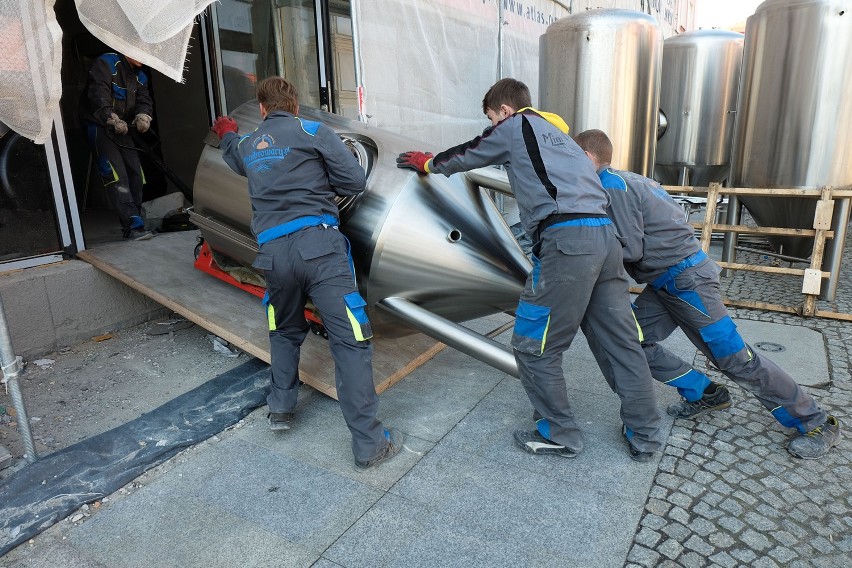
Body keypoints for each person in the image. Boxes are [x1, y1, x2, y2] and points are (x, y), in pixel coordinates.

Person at [397, 78, 663, 461]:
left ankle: (560, 434)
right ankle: (645, 433)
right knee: (620, 342)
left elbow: (471, 153)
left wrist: (428, 162)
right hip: (605, 240)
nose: (492, 126)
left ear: (504, 111)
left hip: (567, 244)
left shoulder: (517, 125)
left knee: (532, 344)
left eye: (491, 118)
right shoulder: (561, 137)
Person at [574, 128, 841, 460]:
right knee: (630, 342)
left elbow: (630, 247)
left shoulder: (611, 187)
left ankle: (816, 421)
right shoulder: (630, 180)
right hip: (666, 283)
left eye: (573, 158)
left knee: (736, 360)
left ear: (586, 157)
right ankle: (705, 391)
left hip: (689, 283)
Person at [211, 76, 403, 469]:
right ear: (295, 106)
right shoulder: (315, 131)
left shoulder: (249, 144)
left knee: (283, 329)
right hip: (320, 249)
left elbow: (232, 153)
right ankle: (369, 444)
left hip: (273, 257)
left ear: (262, 110)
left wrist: (227, 131)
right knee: (350, 340)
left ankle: (280, 407)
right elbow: (354, 180)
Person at [80, 52, 154, 240]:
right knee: (117, 176)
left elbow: (144, 100)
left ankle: (136, 219)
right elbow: (98, 95)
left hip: (124, 129)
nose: (144, 56)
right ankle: (132, 227)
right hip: (100, 126)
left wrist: (143, 115)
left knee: (136, 175)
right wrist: (110, 117)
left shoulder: (141, 76)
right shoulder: (106, 63)